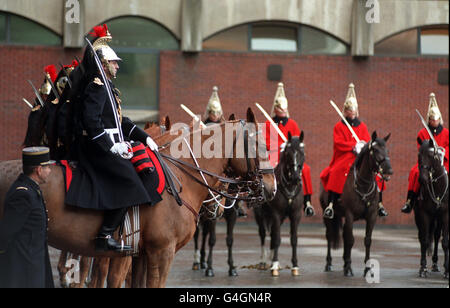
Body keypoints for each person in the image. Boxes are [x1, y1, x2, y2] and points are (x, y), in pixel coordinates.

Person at [64, 24, 160, 252]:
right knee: (129, 180)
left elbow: (121, 122)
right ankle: (104, 235)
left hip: (112, 144)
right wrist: (111, 147)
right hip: (95, 146)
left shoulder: (109, 88)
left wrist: (144, 137)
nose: (117, 65)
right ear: (104, 65)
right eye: (114, 62)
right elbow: (91, 121)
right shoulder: (96, 86)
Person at [320, 83, 388, 219]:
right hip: (344, 156)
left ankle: (379, 203)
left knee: (377, 172)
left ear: (357, 111)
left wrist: (363, 146)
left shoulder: (362, 126)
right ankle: (332, 203)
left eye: (353, 110)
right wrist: (353, 146)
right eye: (348, 110)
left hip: (360, 157)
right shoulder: (338, 126)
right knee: (336, 171)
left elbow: (368, 142)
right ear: (344, 111)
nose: (350, 112)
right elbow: (338, 143)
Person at [0, 147, 55, 288]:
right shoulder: (23, 194)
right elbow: (5, 233)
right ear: (38, 170)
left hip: (33, 266)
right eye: (47, 167)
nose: (49, 171)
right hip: (24, 270)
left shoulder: (31, 189)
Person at [265, 83, 315, 217]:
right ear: (275, 109)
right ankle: (264, 195)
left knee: (306, 169)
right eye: (279, 108)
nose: (282, 111)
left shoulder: (292, 124)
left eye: (283, 108)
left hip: (290, 154)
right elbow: (266, 140)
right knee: (267, 168)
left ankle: (308, 201)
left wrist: (289, 148)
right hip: (275, 154)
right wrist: (278, 146)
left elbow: (297, 141)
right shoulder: (269, 123)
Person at [202, 86, 247, 218]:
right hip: (208, 160)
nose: (214, 115)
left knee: (234, 173)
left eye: (217, 113)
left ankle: (237, 203)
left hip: (222, 159)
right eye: (212, 113)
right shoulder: (202, 127)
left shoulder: (224, 126)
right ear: (209, 112)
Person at [401, 93, 449, 213]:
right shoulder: (422, 133)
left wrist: (443, 153)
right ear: (429, 119)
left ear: (440, 119)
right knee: (415, 172)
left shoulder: (446, 133)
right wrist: (431, 152)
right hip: (427, 162)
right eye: (432, 119)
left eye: (437, 119)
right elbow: (421, 148)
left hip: (443, 162)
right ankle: (410, 201)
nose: (434, 121)